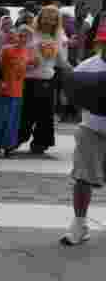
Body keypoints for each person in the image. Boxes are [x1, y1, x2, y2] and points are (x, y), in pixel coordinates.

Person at [60, 33, 106, 246]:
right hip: (91, 129)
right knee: (82, 178)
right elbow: (71, 95)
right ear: (99, 44)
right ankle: (79, 225)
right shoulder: (86, 68)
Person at [14, 4, 71, 155]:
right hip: (26, 78)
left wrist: (72, 69)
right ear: (40, 18)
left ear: (56, 21)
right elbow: (18, 51)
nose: (48, 21)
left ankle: (40, 142)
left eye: (52, 19)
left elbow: (61, 61)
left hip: (46, 79)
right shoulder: (30, 33)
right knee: (25, 111)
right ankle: (16, 139)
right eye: (45, 17)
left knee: (44, 114)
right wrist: (26, 62)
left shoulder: (59, 36)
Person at [0, 26, 37, 159]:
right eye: (21, 35)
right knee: (1, 119)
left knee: (12, 121)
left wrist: (33, 63)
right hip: (4, 90)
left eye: (26, 37)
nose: (23, 38)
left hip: (18, 91)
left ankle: (6, 147)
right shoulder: (6, 50)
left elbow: (31, 64)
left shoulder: (27, 52)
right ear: (16, 35)